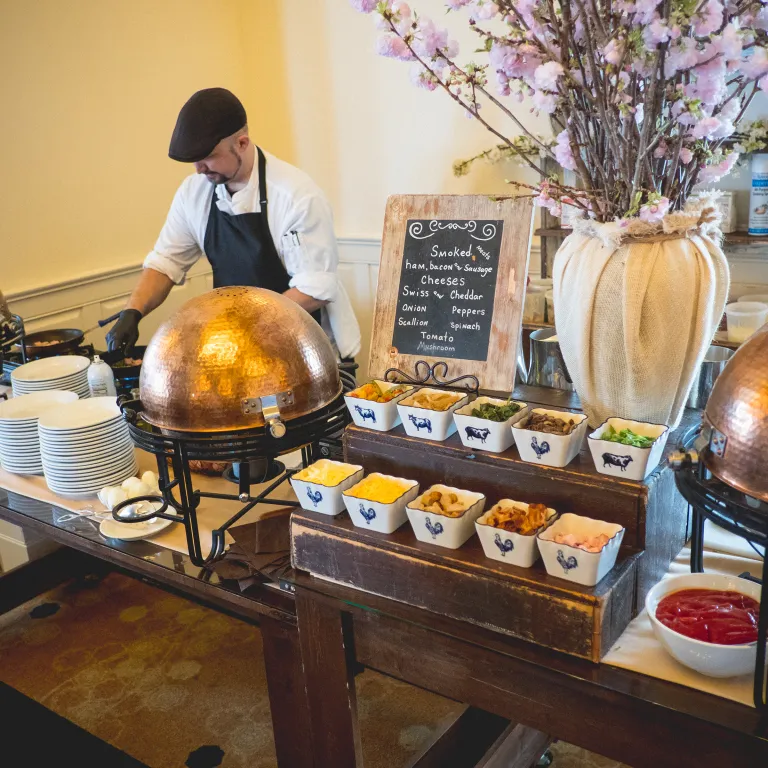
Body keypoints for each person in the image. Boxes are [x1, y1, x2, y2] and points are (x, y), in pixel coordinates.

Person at [106, 87, 360, 360]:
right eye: (194, 161)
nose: (199, 169)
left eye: (209, 157)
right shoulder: (195, 192)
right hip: (239, 347)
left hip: (304, 346)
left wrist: (244, 326)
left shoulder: (296, 195)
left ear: (242, 143)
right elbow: (167, 262)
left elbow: (314, 289)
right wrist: (133, 311)